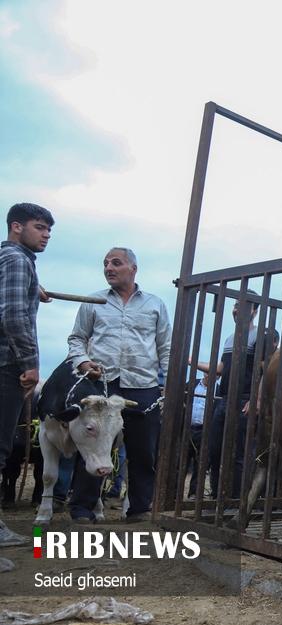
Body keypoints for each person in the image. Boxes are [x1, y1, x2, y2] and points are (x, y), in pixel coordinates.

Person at [67, 247, 171, 523]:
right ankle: (82, 509)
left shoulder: (155, 304)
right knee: (94, 444)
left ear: (133, 269)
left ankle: (139, 508)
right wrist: (83, 362)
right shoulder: (94, 301)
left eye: (116, 263)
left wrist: (170, 382)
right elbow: (77, 338)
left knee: (143, 450)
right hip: (102, 385)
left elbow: (166, 347)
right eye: (105, 264)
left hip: (143, 385)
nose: (109, 268)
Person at [0, 202, 54, 548]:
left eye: (49, 230)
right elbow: (12, 315)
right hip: (6, 365)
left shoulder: (9, 260)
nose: (46, 235)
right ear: (16, 226)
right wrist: (30, 363)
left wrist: (34, 287)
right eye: (39, 227)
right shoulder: (17, 260)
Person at [193, 294, 275, 499]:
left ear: (254, 311)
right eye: (235, 305)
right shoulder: (230, 338)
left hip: (244, 400)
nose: (236, 310)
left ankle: (236, 500)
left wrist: (256, 399)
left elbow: (267, 371)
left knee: (239, 454)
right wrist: (191, 361)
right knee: (215, 450)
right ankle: (216, 497)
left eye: (242, 306)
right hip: (224, 400)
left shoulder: (260, 337)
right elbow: (221, 368)